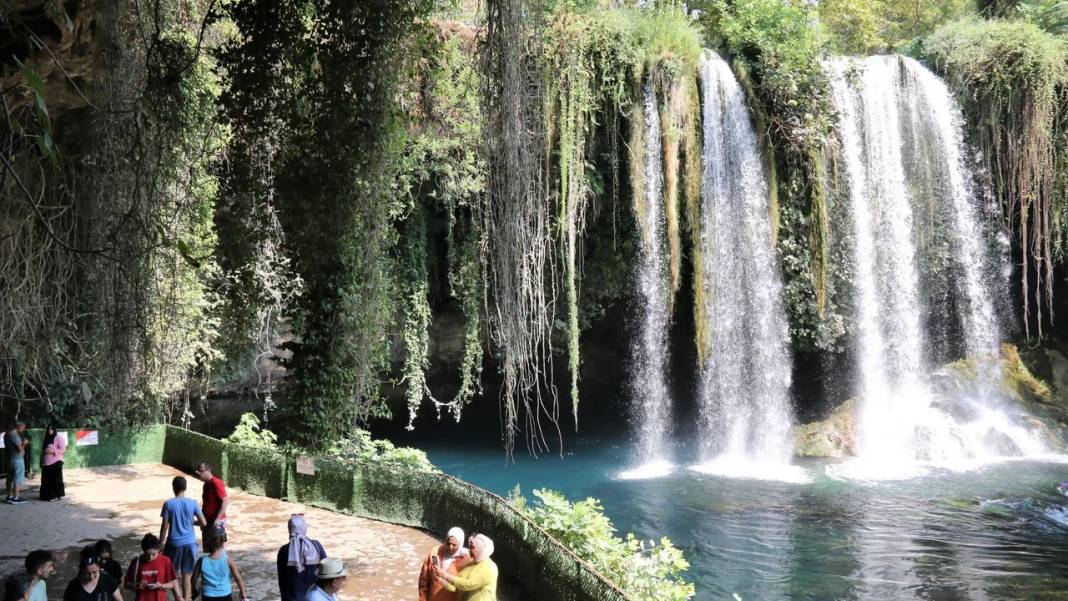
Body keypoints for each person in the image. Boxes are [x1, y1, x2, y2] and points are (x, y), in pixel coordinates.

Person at [160, 476, 205, 601]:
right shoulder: (193, 503)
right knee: (187, 574)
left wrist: (160, 543)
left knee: (172, 573)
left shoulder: (168, 504)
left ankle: (178, 597)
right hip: (190, 543)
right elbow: (204, 522)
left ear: (174, 487)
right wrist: (192, 523)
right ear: (185, 488)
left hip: (173, 543)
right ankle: (186, 597)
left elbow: (164, 527)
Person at [276, 514, 328, 601]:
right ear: (304, 528)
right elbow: (328, 572)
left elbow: (282, 582)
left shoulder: (283, 551)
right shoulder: (316, 546)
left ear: (290, 529)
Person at [433, 533, 497, 601]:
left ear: (481, 548)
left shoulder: (490, 568)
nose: (469, 551)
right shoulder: (471, 563)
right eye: (470, 547)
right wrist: (439, 578)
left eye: (472, 547)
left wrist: (444, 575)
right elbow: (455, 587)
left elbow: (468, 585)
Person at [191, 530, 247, 601]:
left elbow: (193, 578)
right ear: (223, 544)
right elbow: (238, 578)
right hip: (225, 594)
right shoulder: (228, 560)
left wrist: (194, 589)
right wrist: (242, 592)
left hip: (208, 595)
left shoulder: (201, 561)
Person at [418, 527, 471, 601]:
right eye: (448, 543)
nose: (450, 547)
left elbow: (468, 586)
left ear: (461, 544)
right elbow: (423, 579)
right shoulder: (434, 553)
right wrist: (422, 598)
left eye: (454, 545)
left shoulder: (467, 560)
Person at [125, 534, 178, 601]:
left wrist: (161, 585)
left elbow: (173, 583)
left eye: (153, 554)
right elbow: (126, 584)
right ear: (143, 551)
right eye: (147, 554)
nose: (150, 558)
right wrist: (137, 585)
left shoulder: (165, 560)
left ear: (158, 550)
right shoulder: (136, 562)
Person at [195, 461, 229, 545]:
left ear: (208, 470)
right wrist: (202, 520)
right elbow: (207, 504)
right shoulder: (206, 485)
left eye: (201, 470)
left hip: (216, 523)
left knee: (218, 551)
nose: (199, 473)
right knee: (209, 549)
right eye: (198, 471)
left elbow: (225, 500)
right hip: (209, 522)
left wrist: (217, 519)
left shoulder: (216, 483)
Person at [4, 420, 29, 504]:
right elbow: (20, 449)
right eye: (23, 427)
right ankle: (16, 498)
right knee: (17, 479)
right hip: (17, 459)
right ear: (20, 426)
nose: (23, 429)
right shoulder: (14, 435)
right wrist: (24, 443)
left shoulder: (6, 434)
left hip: (9, 459)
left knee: (9, 478)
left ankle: (9, 496)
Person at [39, 425, 67, 501]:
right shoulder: (46, 438)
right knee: (46, 480)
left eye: (52, 429)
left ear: (54, 430)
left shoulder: (58, 437)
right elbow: (43, 450)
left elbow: (63, 449)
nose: (50, 430)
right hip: (46, 463)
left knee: (55, 480)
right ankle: (46, 496)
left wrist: (53, 451)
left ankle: (54, 496)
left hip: (56, 462)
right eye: (48, 429)